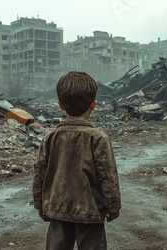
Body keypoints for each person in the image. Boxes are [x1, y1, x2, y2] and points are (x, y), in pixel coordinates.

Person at [32, 71, 121, 250]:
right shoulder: (98, 138)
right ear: (93, 105)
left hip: (58, 208)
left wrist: (40, 204)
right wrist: (113, 206)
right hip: (90, 211)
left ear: (60, 105)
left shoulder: (50, 138)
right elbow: (107, 175)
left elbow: (39, 172)